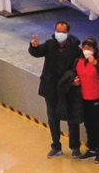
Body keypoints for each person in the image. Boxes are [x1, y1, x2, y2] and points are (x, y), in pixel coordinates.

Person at [29, 22, 84, 158]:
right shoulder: (50, 44)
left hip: (67, 88)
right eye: (57, 30)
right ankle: (56, 146)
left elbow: (77, 67)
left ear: (68, 33)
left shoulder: (75, 49)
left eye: (63, 31)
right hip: (51, 88)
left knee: (72, 119)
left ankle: (75, 147)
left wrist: (73, 81)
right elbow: (37, 52)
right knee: (53, 118)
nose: (59, 34)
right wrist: (33, 46)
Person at [74, 38, 99, 162]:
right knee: (88, 124)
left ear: (94, 50)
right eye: (85, 48)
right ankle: (91, 148)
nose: (86, 51)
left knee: (98, 124)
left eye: (89, 48)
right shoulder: (80, 61)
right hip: (84, 97)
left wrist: (94, 63)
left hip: (96, 97)